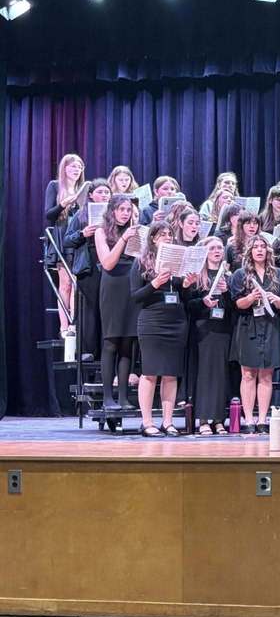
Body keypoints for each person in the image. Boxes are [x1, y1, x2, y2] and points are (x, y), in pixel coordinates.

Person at [130, 223, 193, 438]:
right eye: (162, 234)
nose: (167, 237)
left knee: (171, 373)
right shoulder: (141, 262)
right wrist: (155, 283)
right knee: (150, 373)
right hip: (152, 321)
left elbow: (184, 297)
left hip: (176, 320)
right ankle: (146, 422)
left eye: (169, 234)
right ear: (153, 238)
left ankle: (168, 421)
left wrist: (187, 285)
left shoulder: (178, 261)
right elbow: (136, 296)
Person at [229, 234, 280, 433]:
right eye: (255, 247)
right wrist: (251, 297)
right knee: (247, 373)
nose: (260, 250)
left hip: (271, 325)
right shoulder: (240, 274)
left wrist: (274, 298)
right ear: (250, 251)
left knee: (266, 374)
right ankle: (248, 419)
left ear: (268, 250)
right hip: (248, 325)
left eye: (263, 246)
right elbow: (237, 304)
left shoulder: (279, 274)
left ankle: (263, 419)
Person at [94, 194, 140, 410]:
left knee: (127, 343)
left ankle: (123, 397)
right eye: (121, 209)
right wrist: (123, 239)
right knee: (111, 341)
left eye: (128, 210)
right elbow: (108, 263)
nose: (125, 213)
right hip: (112, 286)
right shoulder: (101, 232)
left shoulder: (135, 232)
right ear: (112, 211)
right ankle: (107, 398)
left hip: (131, 285)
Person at [186, 236, 232, 436]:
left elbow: (234, 307)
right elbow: (187, 304)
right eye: (213, 248)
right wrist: (203, 303)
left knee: (221, 376)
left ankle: (220, 420)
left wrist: (228, 292)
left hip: (222, 329)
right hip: (203, 329)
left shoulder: (227, 276)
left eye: (220, 248)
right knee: (204, 375)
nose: (217, 251)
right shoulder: (197, 275)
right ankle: (203, 419)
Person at [64, 179, 111, 361]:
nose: (104, 195)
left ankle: (107, 351)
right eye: (100, 192)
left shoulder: (114, 214)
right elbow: (67, 240)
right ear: (91, 194)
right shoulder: (81, 214)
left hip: (108, 264)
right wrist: (83, 234)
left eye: (107, 193)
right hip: (89, 265)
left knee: (107, 309)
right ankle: (89, 351)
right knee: (90, 310)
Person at [44, 153, 85, 337]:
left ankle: (75, 324)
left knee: (78, 283)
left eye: (79, 167)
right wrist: (63, 204)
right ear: (64, 168)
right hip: (61, 236)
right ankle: (64, 325)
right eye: (73, 166)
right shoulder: (54, 186)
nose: (76, 170)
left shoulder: (82, 188)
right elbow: (49, 215)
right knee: (66, 283)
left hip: (78, 237)